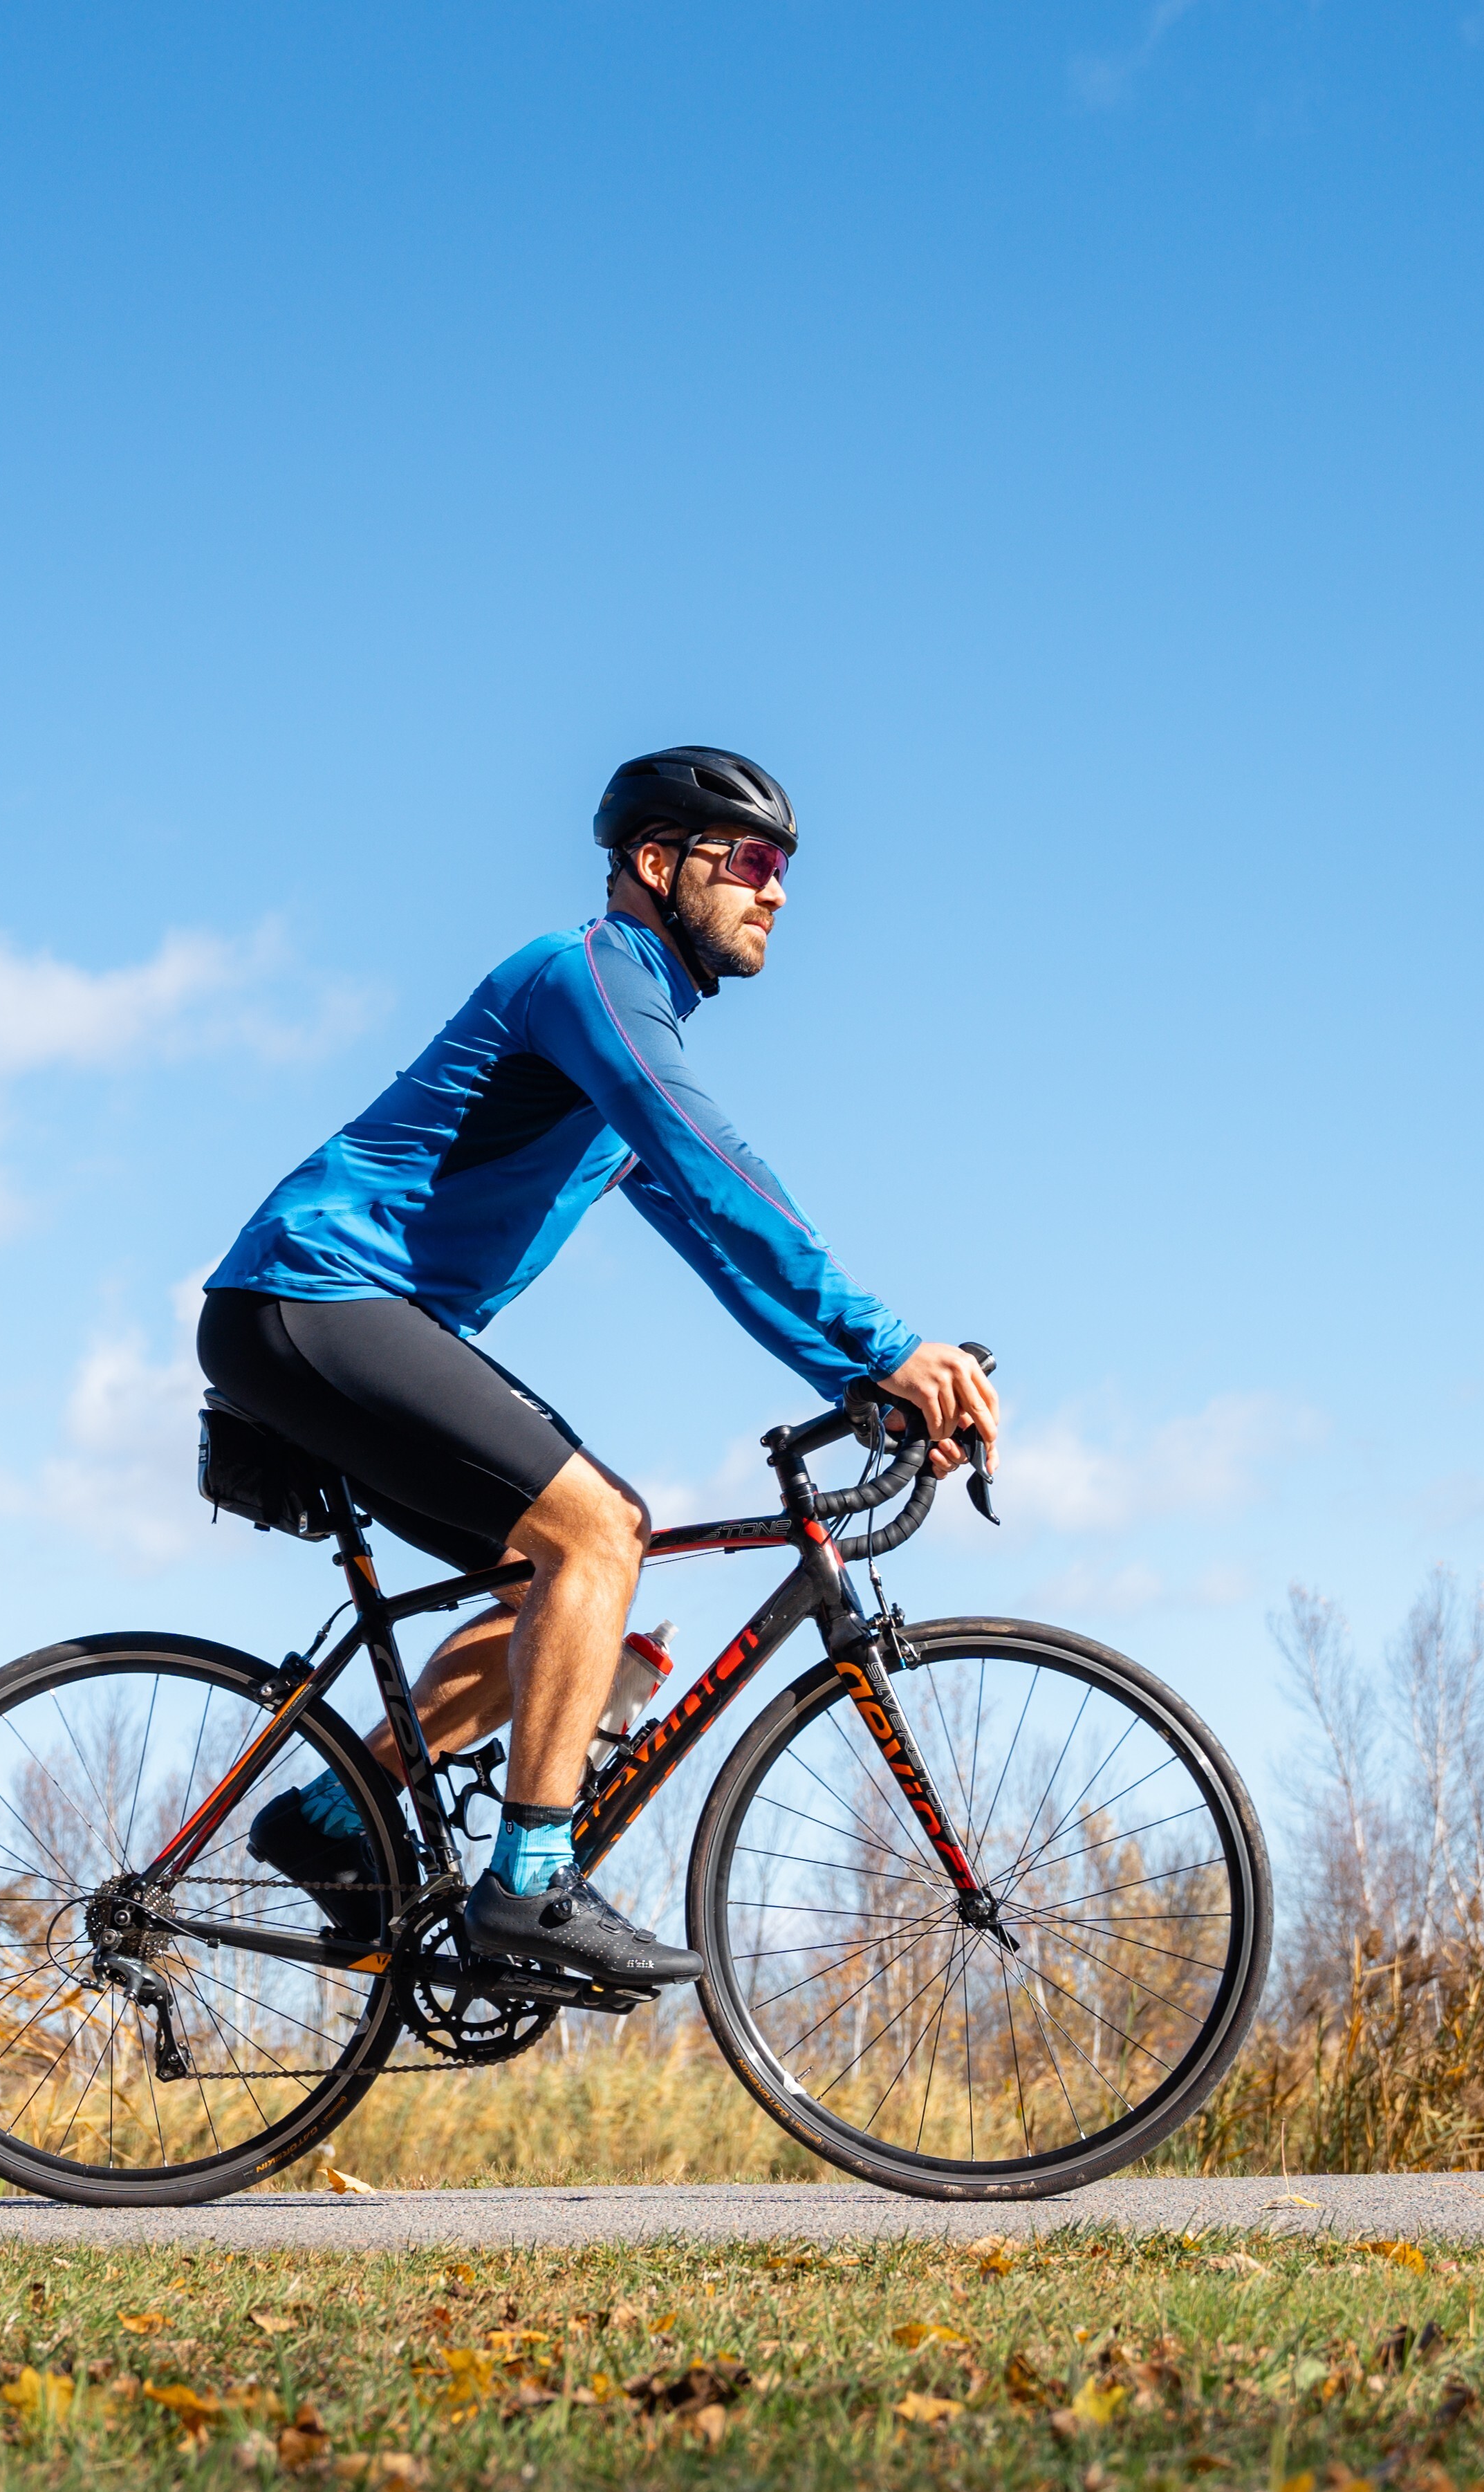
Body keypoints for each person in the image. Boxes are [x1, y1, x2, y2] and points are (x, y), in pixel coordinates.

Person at [195, 746, 999, 1991]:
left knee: (571, 1599)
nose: (776, 891)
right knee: (603, 1533)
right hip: (313, 1297)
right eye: (752, 862)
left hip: (341, 1317)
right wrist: (893, 1348)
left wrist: (857, 1381)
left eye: (785, 869)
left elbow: (710, 1238)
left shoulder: (619, 1024)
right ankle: (528, 1885)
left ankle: (333, 1820)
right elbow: (712, 1165)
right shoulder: (586, 978)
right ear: (655, 862)